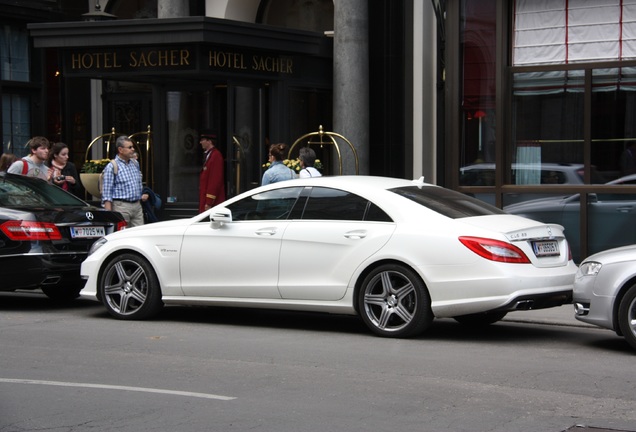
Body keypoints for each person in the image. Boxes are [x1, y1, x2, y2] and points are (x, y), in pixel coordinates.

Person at [101, 135, 147, 227]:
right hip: (121, 206)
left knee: (139, 235)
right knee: (122, 236)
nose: (133, 149)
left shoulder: (135, 163)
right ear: (120, 150)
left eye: (133, 147)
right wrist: (109, 215)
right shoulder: (112, 166)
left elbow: (138, 183)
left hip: (137, 206)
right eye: (129, 147)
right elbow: (107, 193)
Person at [198, 129, 226, 213]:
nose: (200, 142)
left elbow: (215, 180)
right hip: (205, 200)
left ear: (209, 141)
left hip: (213, 203)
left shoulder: (216, 156)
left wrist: (209, 202)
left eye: (202, 140)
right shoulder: (210, 155)